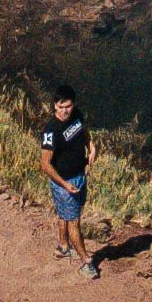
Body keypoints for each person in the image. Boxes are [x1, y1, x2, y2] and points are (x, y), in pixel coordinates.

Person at [40, 93, 97, 277]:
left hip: (79, 176)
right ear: (55, 106)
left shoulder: (77, 116)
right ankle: (87, 262)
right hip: (64, 184)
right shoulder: (51, 131)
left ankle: (63, 246)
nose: (65, 111)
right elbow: (45, 164)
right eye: (61, 106)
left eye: (68, 106)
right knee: (74, 221)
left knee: (67, 214)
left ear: (73, 105)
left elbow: (85, 133)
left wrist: (92, 147)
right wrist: (64, 185)